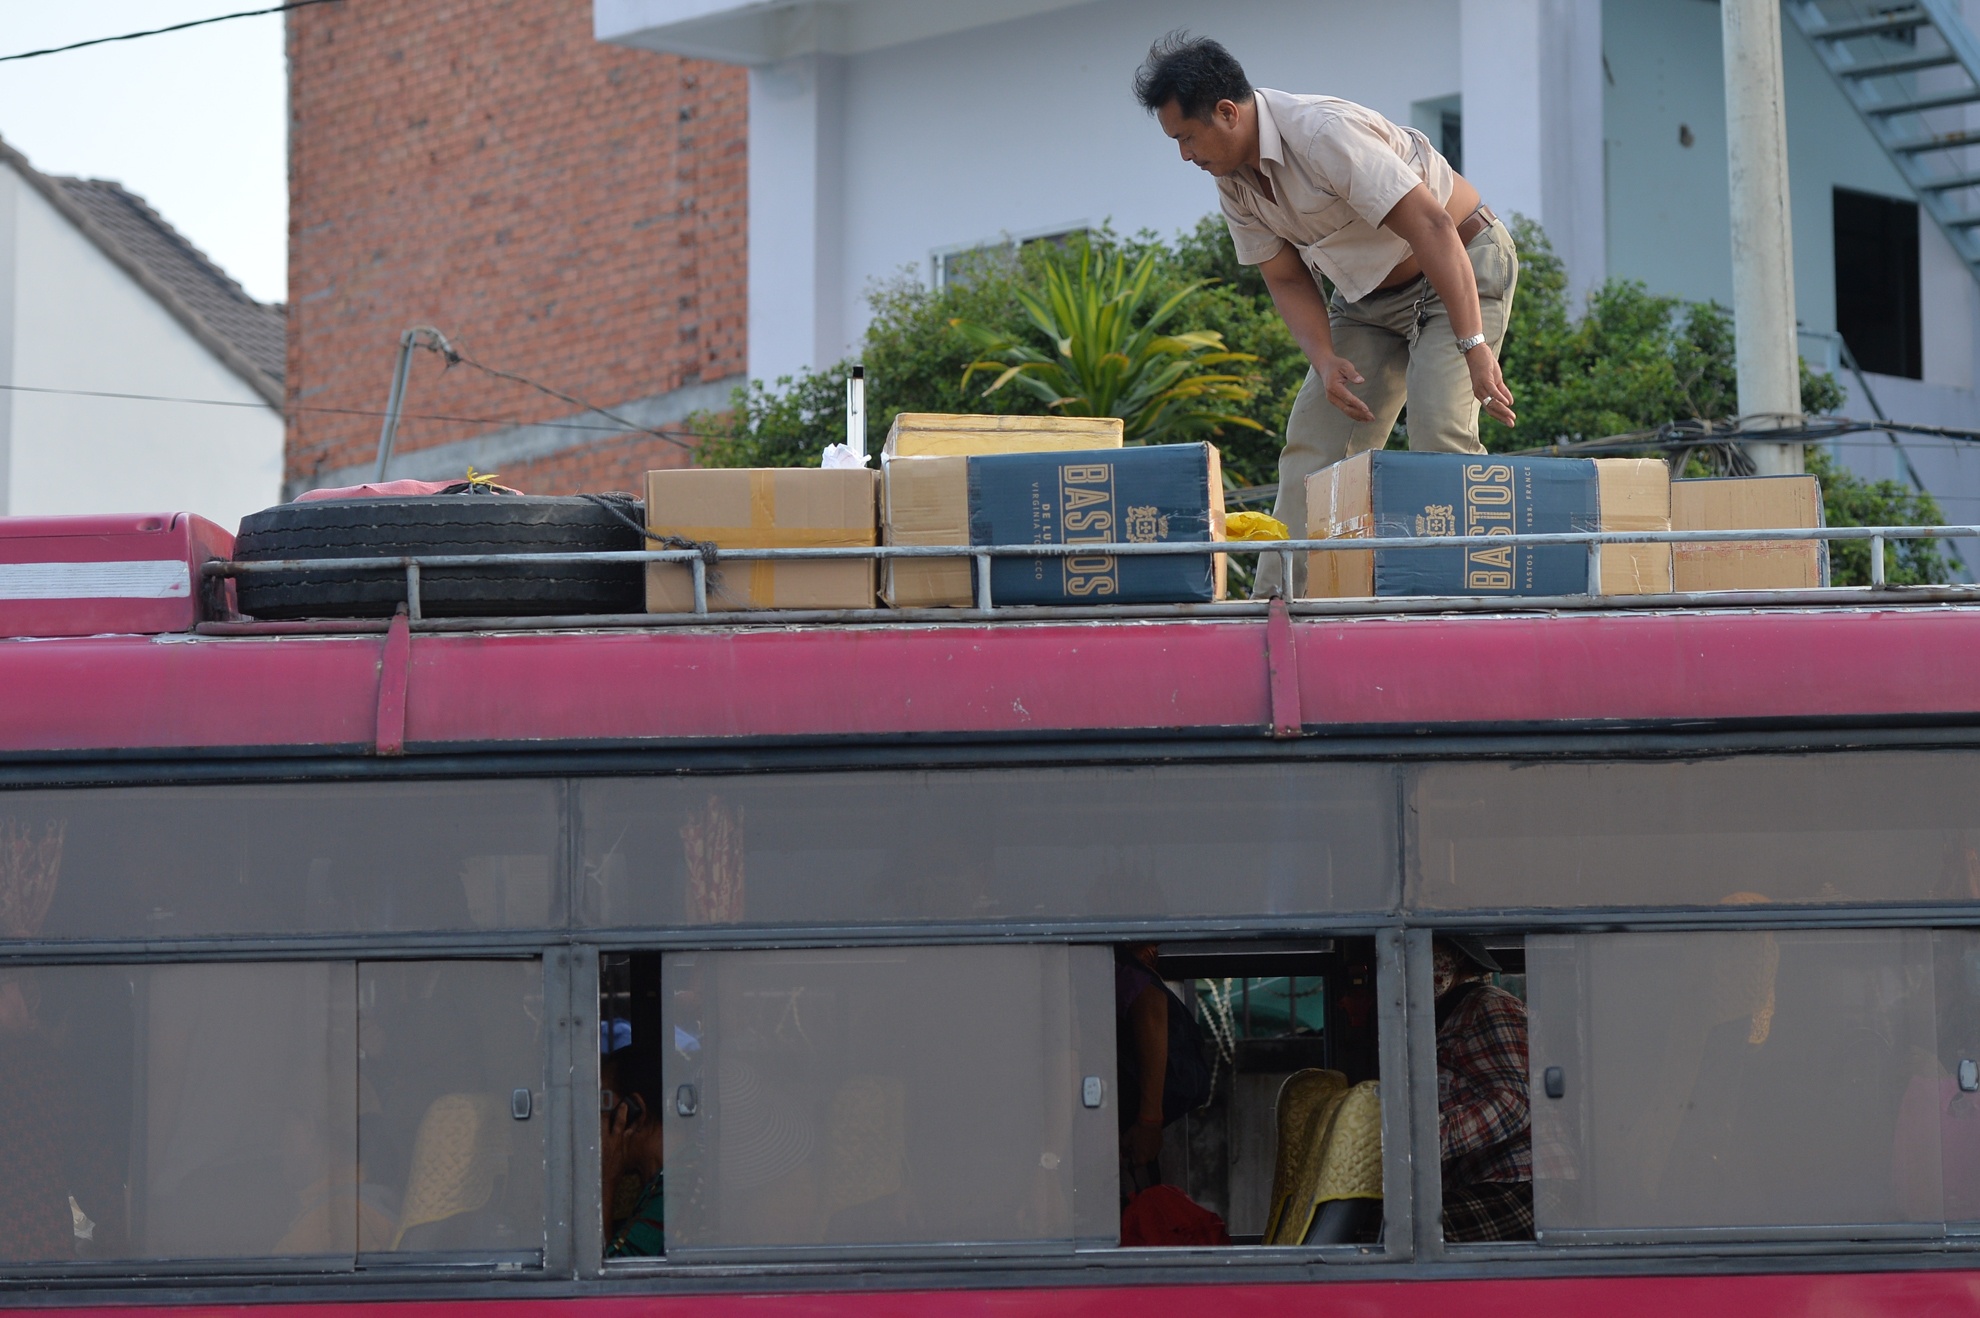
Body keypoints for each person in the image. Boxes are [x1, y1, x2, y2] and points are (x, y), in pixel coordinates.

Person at [1132, 34, 1520, 599]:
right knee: (1315, 441)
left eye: (1187, 137)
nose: (1185, 155)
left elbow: (1432, 226)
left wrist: (1474, 343)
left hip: (1459, 264)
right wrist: (1324, 358)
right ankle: (1279, 605)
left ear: (1227, 112)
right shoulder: (1232, 182)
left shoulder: (1322, 133)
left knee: (1439, 431)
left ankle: (1466, 599)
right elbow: (1286, 277)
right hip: (1365, 300)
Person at [1432, 936, 1532, 1242]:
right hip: (1480, 1183)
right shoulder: (1439, 1019)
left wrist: (1426, 1142)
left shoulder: (1487, 1006)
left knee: (1396, 1230)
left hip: (1525, 1182)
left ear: (1456, 958)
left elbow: (1513, 1100)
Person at [601, 1047, 667, 1257]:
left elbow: (608, 1269)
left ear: (633, 1111)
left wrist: (606, 1179)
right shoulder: (654, 1184)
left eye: (603, 1102)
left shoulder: (673, 1192)